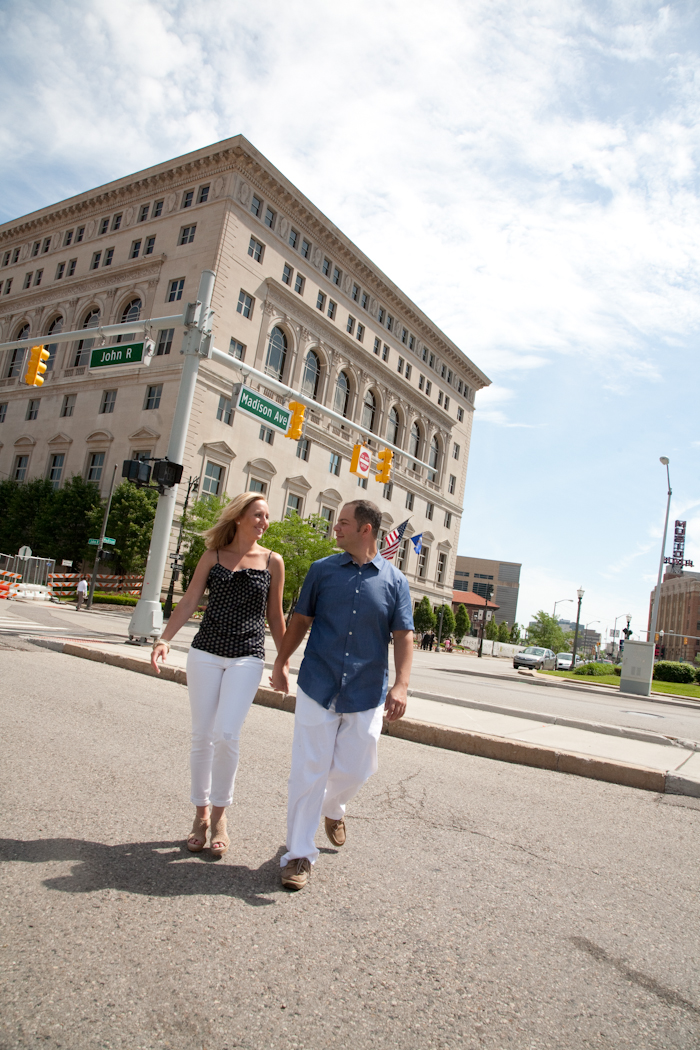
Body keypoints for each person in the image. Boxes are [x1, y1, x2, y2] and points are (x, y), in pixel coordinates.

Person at [271, 500, 414, 890]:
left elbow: (403, 636)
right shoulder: (321, 571)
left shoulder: (396, 582)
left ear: (365, 530)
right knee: (308, 770)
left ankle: (333, 808)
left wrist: (400, 684)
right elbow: (300, 620)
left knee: (358, 764)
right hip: (318, 683)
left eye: (344, 523)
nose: (336, 528)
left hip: (366, 691)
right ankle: (298, 854)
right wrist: (282, 660)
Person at [151, 493, 287, 857]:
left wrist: (282, 661)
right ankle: (201, 815)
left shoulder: (274, 561)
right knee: (202, 736)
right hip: (206, 652)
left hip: (247, 655)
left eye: (267, 517)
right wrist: (164, 639)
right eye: (258, 515)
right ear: (240, 516)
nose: (264, 522)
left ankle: (222, 816)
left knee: (227, 735)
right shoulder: (212, 556)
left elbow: (275, 617)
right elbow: (190, 599)